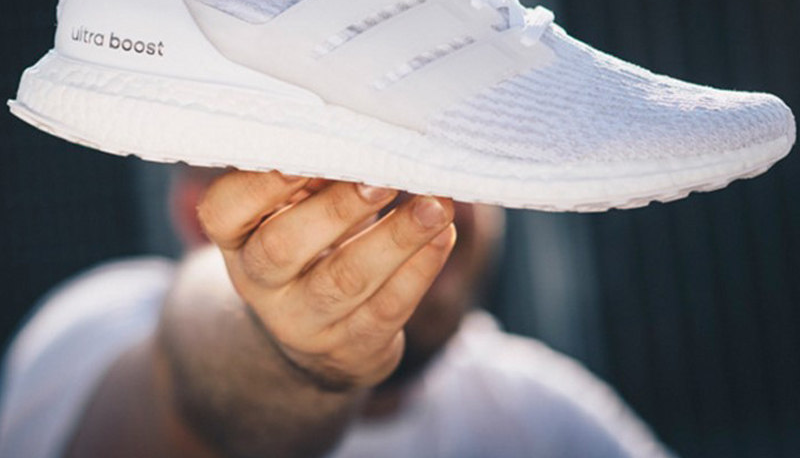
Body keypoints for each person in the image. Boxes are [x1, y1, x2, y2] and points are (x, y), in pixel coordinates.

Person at [0, 168, 674, 457]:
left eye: (447, 141)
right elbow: (197, 368)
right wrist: (294, 352)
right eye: (331, 159)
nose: (412, 195)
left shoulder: (539, 418)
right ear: (197, 215)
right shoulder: (98, 327)